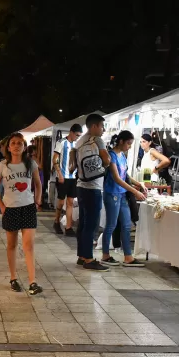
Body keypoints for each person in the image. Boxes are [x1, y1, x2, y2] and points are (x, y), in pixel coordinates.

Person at [0, 133, 43, 295]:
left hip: (28, 207)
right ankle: (13, 278)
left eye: (20, 143)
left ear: (24, 146)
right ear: (8, 147)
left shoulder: (30, 164)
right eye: (13, 143)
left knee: (29, 245)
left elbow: (38, 184)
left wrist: (37, 201)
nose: (16, 146)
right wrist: (2, 206)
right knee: (12, 245)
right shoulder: (2, 166)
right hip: (10, 208)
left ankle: (32, 282)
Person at [71, 114, 111, 272]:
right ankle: (88, 258)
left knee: (83, 223)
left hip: (81, 185)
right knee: (91, 224)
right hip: (93, 187)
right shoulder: (97, 140)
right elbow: (106, 160)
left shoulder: (79, 141)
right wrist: (106, 162)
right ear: (94, 126)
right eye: (101, 126)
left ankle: (82, 256)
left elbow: (73, 163)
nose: (103, 130)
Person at [101, 131, 147, 267]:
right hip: (112, 193)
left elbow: (125, 174)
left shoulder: (122, 156)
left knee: (127, 225)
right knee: (111, 225)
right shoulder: (111, 156)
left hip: (121, 194)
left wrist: (138, 184)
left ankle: (128, 257)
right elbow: (116, 178)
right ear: (121, 141)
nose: (129, 147)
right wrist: (134, 191)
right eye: (128, 143)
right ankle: (105, 255)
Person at [53, 124, 83, 236]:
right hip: (62, 177)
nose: (77, 137)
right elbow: (54, 159)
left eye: (79, 135)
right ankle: (56, 221)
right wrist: (59, 174)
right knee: (61, 201)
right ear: (71, 132)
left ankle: (68, 227)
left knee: (70, 202)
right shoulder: (61, 142)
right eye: (76, 135)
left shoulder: (76, 144)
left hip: (72, 177)